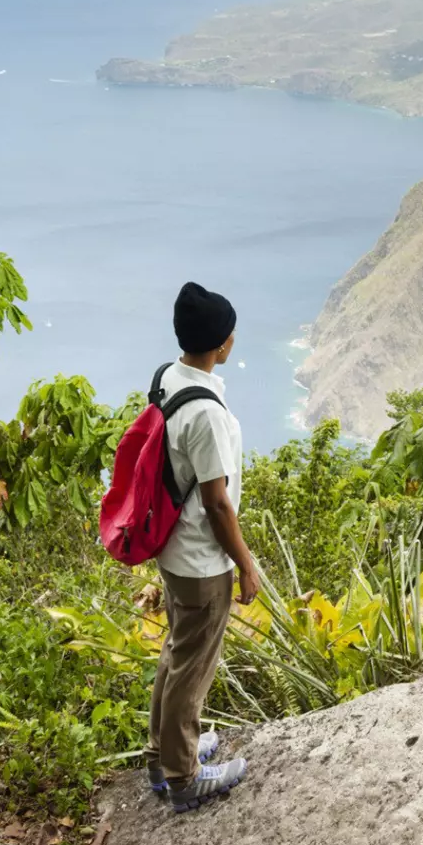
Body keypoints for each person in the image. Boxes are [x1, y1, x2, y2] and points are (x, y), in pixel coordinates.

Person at [144, 281, 260, 813]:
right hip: (200, 560)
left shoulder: (169, 378)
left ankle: (162, 754)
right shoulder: (208, 414)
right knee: (193, 667)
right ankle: (185, 776)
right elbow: (217, 504)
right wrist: (246, 564)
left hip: (173, 549)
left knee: (176, 652)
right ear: (223, 346)